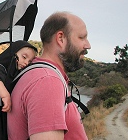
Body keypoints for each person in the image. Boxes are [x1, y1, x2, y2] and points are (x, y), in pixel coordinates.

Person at [8, 11, 91, 140]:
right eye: (82, 37)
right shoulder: (47, 81)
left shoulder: (37, 73)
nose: (88, 45)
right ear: (61, 39)